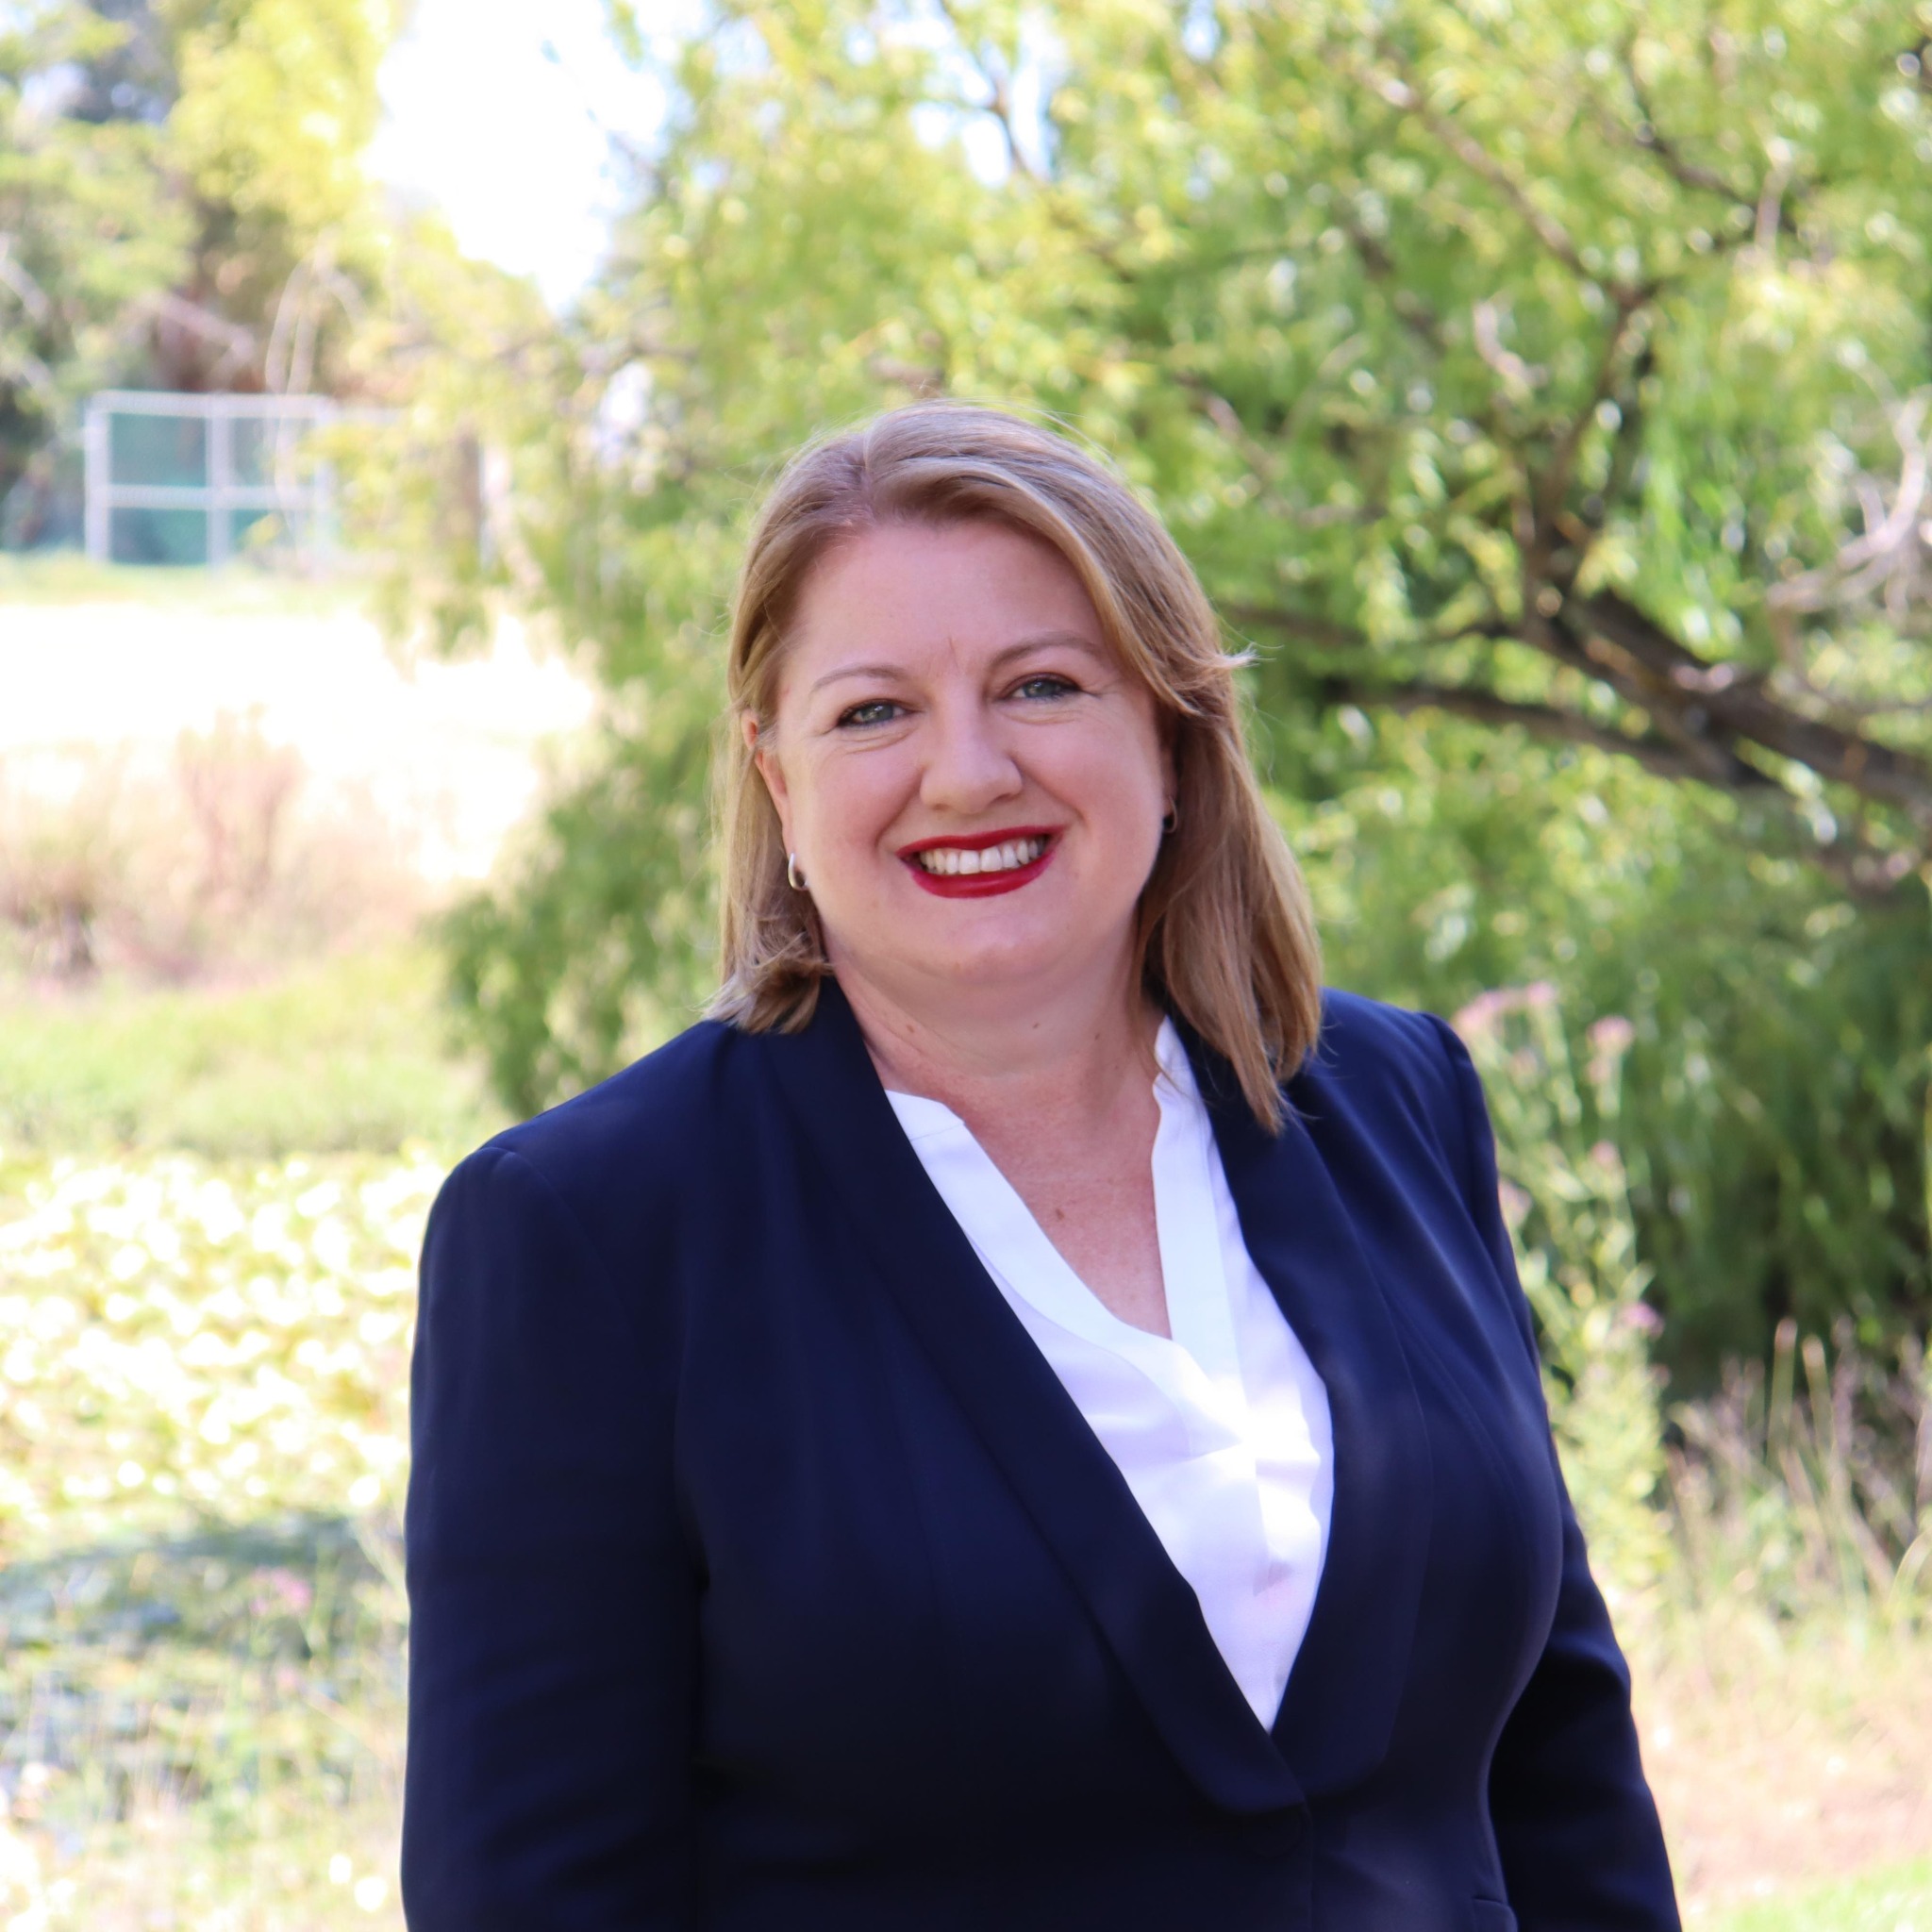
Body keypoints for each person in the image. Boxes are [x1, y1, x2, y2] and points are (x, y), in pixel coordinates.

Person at [401, 402, 1681, 1931]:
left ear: (1171, 729)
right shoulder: (589, 1235)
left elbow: (1561, 1762)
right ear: (776, 773)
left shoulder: (1397, 1101)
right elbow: (538, 1900)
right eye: (873, 712)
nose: (964, 773)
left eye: (1043, 685)